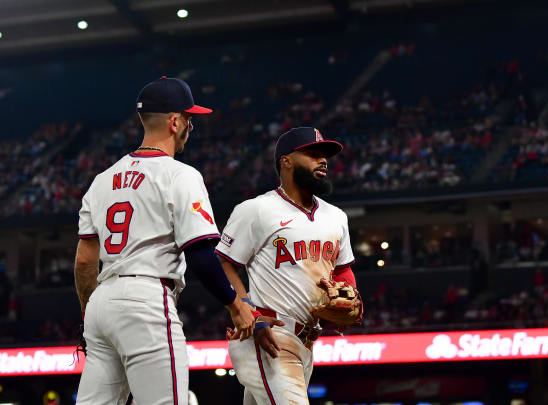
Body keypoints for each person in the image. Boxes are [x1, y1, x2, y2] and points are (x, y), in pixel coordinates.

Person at [74, 77, 257, 405]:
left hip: (101, 302)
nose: (190, 126)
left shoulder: (101, 180)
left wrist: (92, 312)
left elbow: (85, 260)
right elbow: (201, 256)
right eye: (189, 118)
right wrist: (235, 305)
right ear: (174, 122)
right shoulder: (180, 175)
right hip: (146, 299)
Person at [215, 127, 362, 405]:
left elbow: (342, 269)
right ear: (286, 161)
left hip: (307, 342)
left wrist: (352, 296)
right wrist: (246, 310)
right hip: (269, 334)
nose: (323, 161)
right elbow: (223, 263)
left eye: (325, 156)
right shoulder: (256, 210)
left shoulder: (336, 216)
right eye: (313, 154)